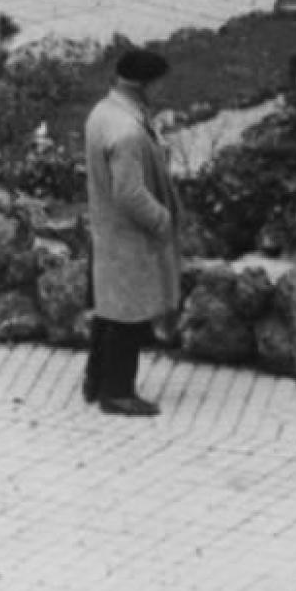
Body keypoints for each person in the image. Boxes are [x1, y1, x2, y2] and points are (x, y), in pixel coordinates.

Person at [83, 48, 184, 416]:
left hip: (107, 230)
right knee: (128, 315)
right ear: (144, 84)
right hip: (129, 235)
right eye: (159, 82)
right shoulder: (125, 131)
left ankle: (95, 382)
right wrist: (162, 219)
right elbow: (129, 192)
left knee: (109, 310)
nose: (163, 88)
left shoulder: (103, 112)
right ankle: (118, 392)